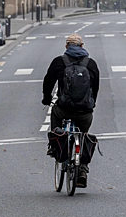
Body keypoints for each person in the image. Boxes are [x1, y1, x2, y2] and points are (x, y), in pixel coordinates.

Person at [42, 33, 100, 188]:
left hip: (64, 109)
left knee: (55, 113)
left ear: (66, 47)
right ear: (82, 46)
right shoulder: (91, 64)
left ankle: (54, 146)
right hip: (84, 112)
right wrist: (91, 104)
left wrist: (46, 98)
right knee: (84, 134)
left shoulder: (59, 62)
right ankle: (82, 169)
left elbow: (48, 82)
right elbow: (95, 88)